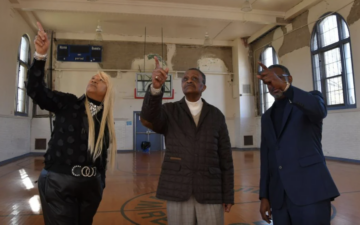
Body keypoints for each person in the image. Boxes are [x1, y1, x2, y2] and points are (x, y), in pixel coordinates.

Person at [26, 22, 117, 225]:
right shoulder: (67, 103)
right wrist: (40, 57)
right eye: (93, 77)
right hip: (59, 181)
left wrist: (99, 183)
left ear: (108, 91)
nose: (94, 79)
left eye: (101, 79)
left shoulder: (105, 121)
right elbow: (36, 90)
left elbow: (102, 157)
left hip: (91, 186)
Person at [140, 57, 234, 225]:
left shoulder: (216, 115)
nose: (189, 80)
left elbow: (226, 158)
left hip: (210, 190)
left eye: (194, 78)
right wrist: (155, 88)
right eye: (185, 79)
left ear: (203, 87)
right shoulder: (169, 111)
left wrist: (228, 194)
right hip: (178, 187)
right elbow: (148, 116)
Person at [257, 62, 340, 225]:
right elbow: (266, 158)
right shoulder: (267, 117)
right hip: (279, 197)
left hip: (311, 192)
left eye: (278, 78)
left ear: (290, 79)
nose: (273, 84)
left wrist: (285, 87)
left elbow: (319, 110)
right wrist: (264, 196)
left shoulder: (311, 99)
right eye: (268, 82)